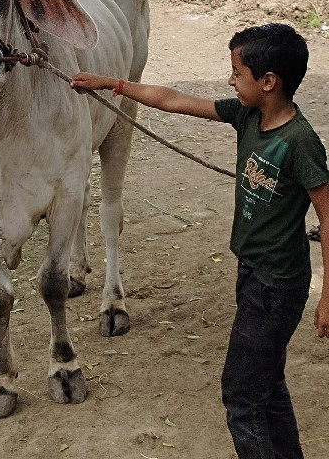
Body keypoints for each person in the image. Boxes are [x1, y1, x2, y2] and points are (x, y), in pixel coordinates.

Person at [70, 23, 329, 458]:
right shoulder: (249, 114)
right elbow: (173, 100)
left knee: (241, 396)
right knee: (267, 384)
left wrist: (328, 296)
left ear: (269, 82)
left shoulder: (300, 143)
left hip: (277, 287)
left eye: (237, 72)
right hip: (253, 276)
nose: (230, 80)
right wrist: (113, 84)